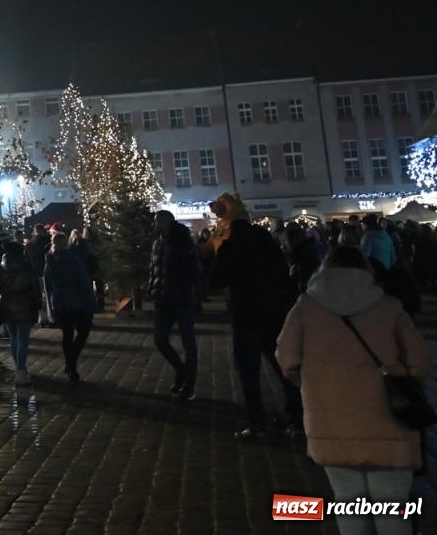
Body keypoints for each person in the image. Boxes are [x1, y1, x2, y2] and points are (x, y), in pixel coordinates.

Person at [279, 246, 429, 533]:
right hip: (390, 424)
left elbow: (287, 360)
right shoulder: (388, 306)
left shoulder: (305, 307)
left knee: (348, 503)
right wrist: (404, 383)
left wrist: (314, 383)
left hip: (331, 424)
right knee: (392, 510)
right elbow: (420, 362)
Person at [212, 206, 302, 440]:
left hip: (244, 315)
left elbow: (218, 278)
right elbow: (283, 273)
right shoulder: (265, 240)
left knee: (248, 373)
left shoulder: (229, 245)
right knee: (282, 367)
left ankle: (257, 423)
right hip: (272, 312)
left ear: (229, 223)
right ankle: (297, 419)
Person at [149, 210, 202, 401]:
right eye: (155, 221)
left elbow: (195, 271)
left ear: (169, 221)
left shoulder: (184, 243)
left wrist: (196, 297)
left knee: (189, 344)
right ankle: (182, 371)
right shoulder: (158, 243)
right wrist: (152, 289)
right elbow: (154, 269)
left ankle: (189, 385)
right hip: (163, 299)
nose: (156, 224)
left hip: (182, 298)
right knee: (160, 339)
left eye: (159, 221)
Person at [0, 241, 39, 384]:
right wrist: (39, 303)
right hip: (25, 304)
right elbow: (35, 287)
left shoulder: (0, 268)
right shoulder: (26, 267)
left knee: (13, 338)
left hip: (6, 305)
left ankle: (19, 368)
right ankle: (21, 369)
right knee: (23, 340)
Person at [44, 233, 94, 383]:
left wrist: (50, 306)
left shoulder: (49, 262)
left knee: (67, 334)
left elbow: (47, 286)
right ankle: (71, 363)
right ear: (66, 244)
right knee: (83, 331)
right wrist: (91, 302)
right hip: (75, 300)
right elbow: (83, 283)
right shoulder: (73, 261)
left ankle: (70, 364)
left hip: (59, 301)